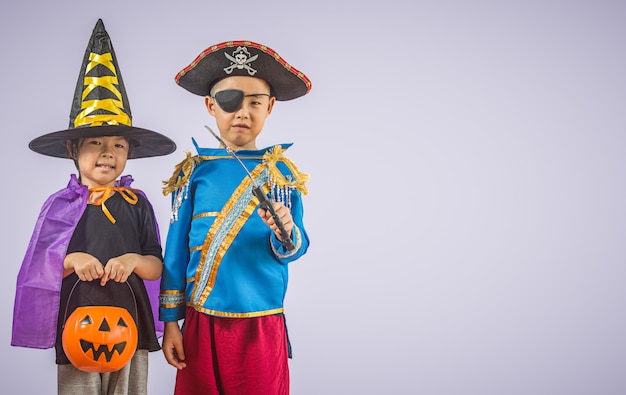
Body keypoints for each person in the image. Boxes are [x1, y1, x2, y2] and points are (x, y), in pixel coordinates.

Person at [11, 19, 176, 395]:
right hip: (77, 324)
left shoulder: (137, 205)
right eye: (96, 143)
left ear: (129, 152)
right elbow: (38, 268)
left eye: (118, 145)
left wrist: (133, 260)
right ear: (73, 149)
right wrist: (73, 260)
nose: (108, 153)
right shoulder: (60, 206)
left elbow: (156, 265)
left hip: (130, 325)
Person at [160, 40, 312, 394]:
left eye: (255, 102)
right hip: (201, 321)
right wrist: (171, 322)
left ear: (270, 107)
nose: (242, 112)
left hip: (260, 322)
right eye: (230, 101)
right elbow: (175, 253)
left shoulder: (280, 174)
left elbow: (296, 247)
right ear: (211, 106)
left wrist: (285, 231)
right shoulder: (192, 173)